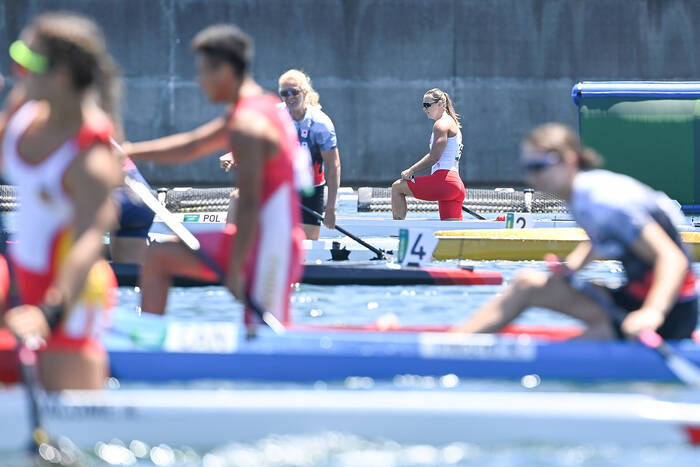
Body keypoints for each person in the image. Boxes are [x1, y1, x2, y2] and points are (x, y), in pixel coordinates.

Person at [452, 123, 698, 340]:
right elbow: (599, 240)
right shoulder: (578, 195)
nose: (532, 177)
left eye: (539, 166)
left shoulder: (604, 201)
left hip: (669, 313)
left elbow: (672, 259)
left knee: (578, 346)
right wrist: (571, 269)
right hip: (634, 299)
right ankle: (452, 345)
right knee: (528, 283)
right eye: (527, 167)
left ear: (569, 160)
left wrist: (652, 313)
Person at [137, 24, 305, 336]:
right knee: (157, 256)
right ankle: (148, 341)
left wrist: (237, 269)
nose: (198, 81)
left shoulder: (248, 124)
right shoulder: (256, 107)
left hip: (272, 247)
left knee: (263, 343)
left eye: (203, 72)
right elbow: (191, 145)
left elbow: (250, 201)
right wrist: (127, 151)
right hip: (253, 240)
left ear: (226, 72)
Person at [0, 13, 122, 390]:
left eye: (29, 62)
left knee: (71, 442)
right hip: (19, 280)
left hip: (71, 296)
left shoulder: (91, 159)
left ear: (63, 76)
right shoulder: (23, 109)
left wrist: (48, 314)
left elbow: (89, 240)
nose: (18, 71)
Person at [278, 69, 341, 240]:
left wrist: (330, 209)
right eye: (285, 93)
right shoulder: (275, 117)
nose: (290, 96)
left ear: (304, 92)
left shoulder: (321, 124)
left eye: (294, 92)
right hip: (281, 188)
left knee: (306, 247)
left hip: (310, 191)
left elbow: (334, 167)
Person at [391, 88, 465, 221]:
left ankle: (397, 233)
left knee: (397, 187)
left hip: (444, 183)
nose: (425, 109)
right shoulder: (452, 124)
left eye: (427, 105)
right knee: (451, 235)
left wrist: (411, 170)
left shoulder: (441, 125)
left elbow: (434, 157)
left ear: (440, 104)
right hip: (456, 186)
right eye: (423, 105)